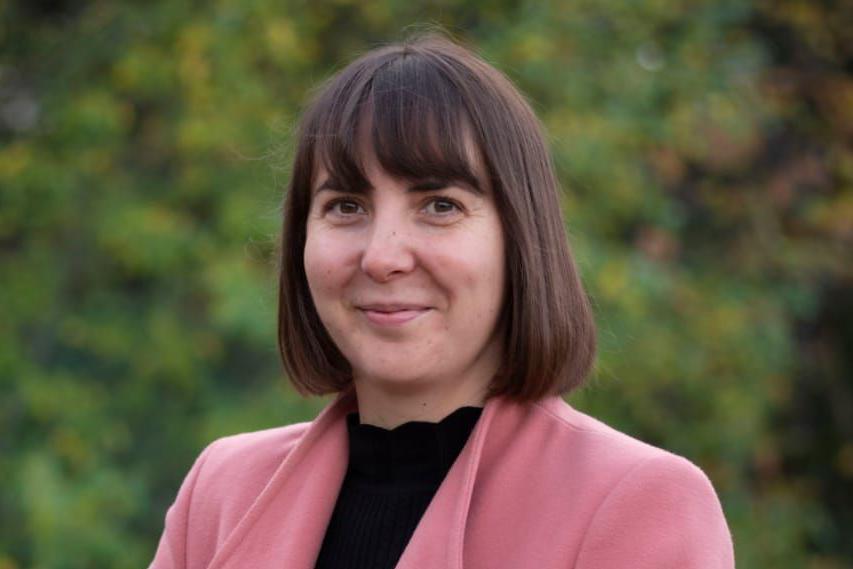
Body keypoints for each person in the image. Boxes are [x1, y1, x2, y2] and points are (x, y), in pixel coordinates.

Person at [149, 34, 735, 569]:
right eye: (346, 206)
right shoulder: (221, 493)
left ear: (520, 238)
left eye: (440, 205)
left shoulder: (637, 502)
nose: (382, 256)